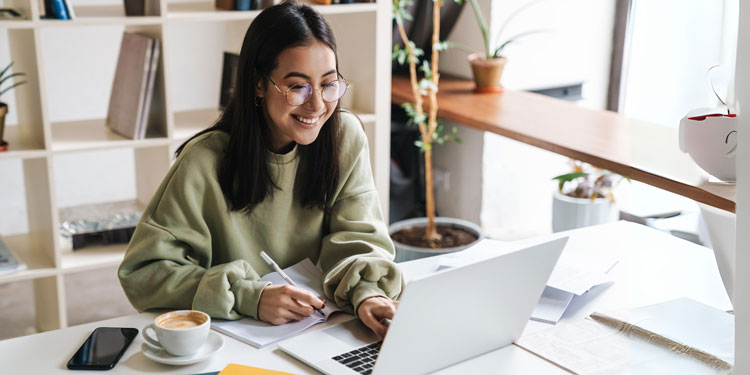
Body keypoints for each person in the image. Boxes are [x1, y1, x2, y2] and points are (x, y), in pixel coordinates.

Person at [118, 1, 402, 338]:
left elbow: (359, 239)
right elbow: (143, 273)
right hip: (236, 340)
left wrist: (369, 292)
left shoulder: (345, 138)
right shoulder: (203, 161)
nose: (317, 105)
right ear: (258, 84)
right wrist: (249, 296)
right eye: (298, 87)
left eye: (328, 84)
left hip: (326, 330)